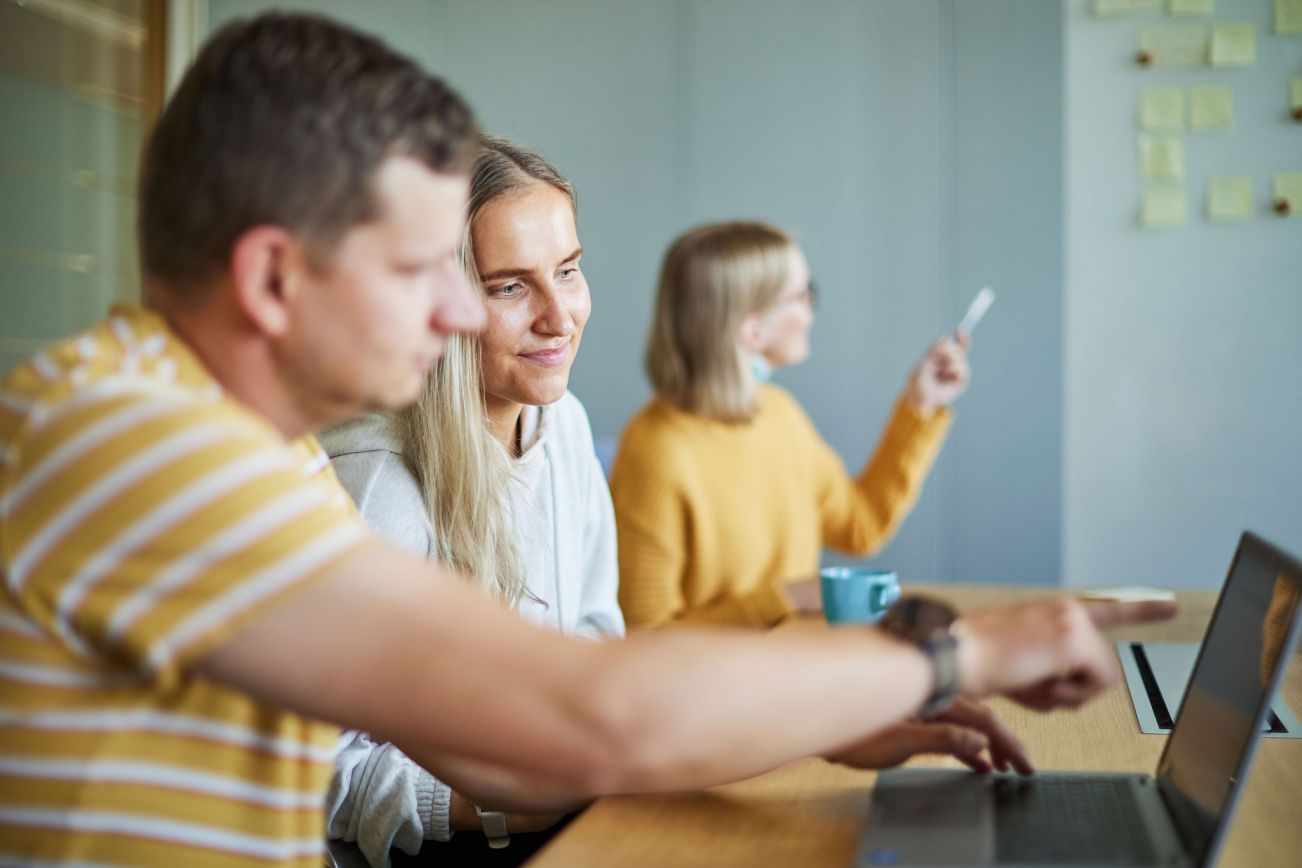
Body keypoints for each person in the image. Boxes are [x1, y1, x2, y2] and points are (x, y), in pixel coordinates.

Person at [0, 12, 1174, 867]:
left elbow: (528, 738)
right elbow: (587, 717)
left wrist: (822, 715)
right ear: (269, 277)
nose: (467, 316)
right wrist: (960, 652)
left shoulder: (246, 450)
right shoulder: (137, 447)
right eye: (425, 273)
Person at [321, 138, 622, 865]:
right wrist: (498, 806)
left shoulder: (564, 422)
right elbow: (310, 769)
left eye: (569, 271)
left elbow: (593, 629)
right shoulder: (378, 475)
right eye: (509, 286)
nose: (561, 316)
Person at [611, 221, 968, 629]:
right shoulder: (655, 451)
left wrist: (921, 403)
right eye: (802, 296)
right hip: (717, 691)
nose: (812, 309)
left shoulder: (779, 414)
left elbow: (861, 526)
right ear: (752, 328)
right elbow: (645, 642)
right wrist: (787, 598)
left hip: (793, 671)